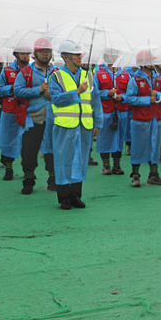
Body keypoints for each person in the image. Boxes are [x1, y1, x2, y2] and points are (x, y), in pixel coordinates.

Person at [48, 41, 103, 210]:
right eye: (76, 55)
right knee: (63, 160)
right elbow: (56, 99)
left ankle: (76, 195)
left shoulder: (89, 76)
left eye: (80, 54)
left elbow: (95, 101)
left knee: (80, 160)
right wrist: (77, 92)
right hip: (65, 126)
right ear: (65, 57)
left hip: (84, 126)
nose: (80, 57)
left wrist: (98, 122)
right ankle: (64, 197)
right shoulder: (56, 76)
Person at [13, 37, 56, 194]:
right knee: (29, 151)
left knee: (52, 150)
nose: (45, 54)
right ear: (35, 53)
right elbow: (17, 91)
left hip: (53, 119)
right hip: (33, 119)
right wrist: (38, 90)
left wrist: (53, 94)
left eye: (48, 51)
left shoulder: (57, 72)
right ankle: (28, 180)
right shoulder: (26, 72)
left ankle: (53, 180)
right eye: (42, 51)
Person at [125, 52, 161, 187]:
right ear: (142, 63)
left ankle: (153, 174)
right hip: (140, 119)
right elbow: (129, 98)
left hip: (156, 118)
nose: (153, 62)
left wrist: (158, 95)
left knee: (155, 146)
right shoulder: (134, 80)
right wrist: (147, 100)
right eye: (150, 60)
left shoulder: (159, 79)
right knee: (138, 146)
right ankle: (135, 175)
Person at [0, 45, 32, 181]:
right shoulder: (6, 71)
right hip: (10, 111)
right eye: (22, 53)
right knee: (7, 140)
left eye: (27, 53)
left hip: (27, 110)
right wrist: (10, 88)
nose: (25, 56)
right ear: (15, 55)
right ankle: (8, 169)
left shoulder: (33, 70)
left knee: (29, 142)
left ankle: (28, 171)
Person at [94, 54, 123, 175]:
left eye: (116, 55)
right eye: (111, 55)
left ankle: (117, 164)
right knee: (104, 138)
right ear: (106, 58)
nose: (115, 57)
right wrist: (107, 92)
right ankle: (106, 165)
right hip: (105, 111)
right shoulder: (98, 73)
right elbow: (94, 92)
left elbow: (130, 92)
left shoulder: (124, 74)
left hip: (120, 111)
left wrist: (122, 97)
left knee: (119, 139)